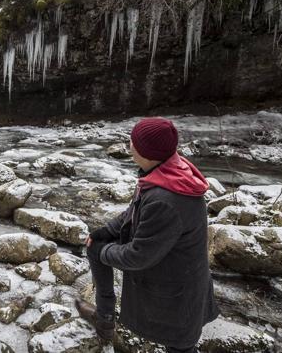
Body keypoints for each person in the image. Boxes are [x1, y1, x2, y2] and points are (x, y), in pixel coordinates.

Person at [76, 117, 219, 353]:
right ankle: (104, 318)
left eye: (133, 142)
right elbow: (133, 210)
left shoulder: (166, 200)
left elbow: (138, 257)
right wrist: (104, 233)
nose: (129, 145)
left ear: (146, 151)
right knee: (96, 244)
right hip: (173, 273)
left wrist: (103, 251)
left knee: (181, 347)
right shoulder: (163, 171)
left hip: (178, 292)